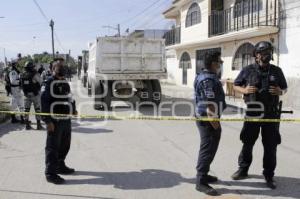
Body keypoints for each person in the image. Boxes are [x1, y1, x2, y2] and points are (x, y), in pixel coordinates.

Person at [231, 41, 288, 189]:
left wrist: (280, 92)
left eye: (268, 52)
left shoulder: (277, 70)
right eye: (263, 52)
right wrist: (244, 91)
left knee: (270, 146)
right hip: (253, 112)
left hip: (271, 113)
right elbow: (236, 84)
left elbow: (285, 88)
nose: (266, 55)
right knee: (248, 142)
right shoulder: (248, 70)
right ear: (256, 55)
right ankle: (243, 170)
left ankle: (269, 175)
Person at [194, 51, 226, 196]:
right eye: (219, 62)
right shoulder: (208, 80)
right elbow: (210, 105)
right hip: (208, 120)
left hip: (206, 118)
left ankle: (204, 174)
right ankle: (201, 181)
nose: (220, 64)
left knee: (209, 147)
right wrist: (216, 124)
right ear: (213, 63)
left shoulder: (204, 76)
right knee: (208, 149)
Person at [41, 59, 76, 184]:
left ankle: (60, 165)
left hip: (66, 119)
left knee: (65, 144)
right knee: (53, 147)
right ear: (53, 69)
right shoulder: (48, 83)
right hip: (54, 120)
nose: (62, 69)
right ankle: (50, 173)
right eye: (59, 67)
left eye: (63, 67)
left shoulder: (65, 82)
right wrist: (47, 120)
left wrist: (74, 109)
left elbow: (70, 98)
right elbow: (44, 102)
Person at [21, 61, 44, 130]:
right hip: (35, 94)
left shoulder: (22, 74)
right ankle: (38, 125)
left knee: (26, 110)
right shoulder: (35, 74)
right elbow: (41, 81)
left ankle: (27, 125)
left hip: (26, 94)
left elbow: (21, 85)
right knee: (37, 109)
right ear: (31, 67)